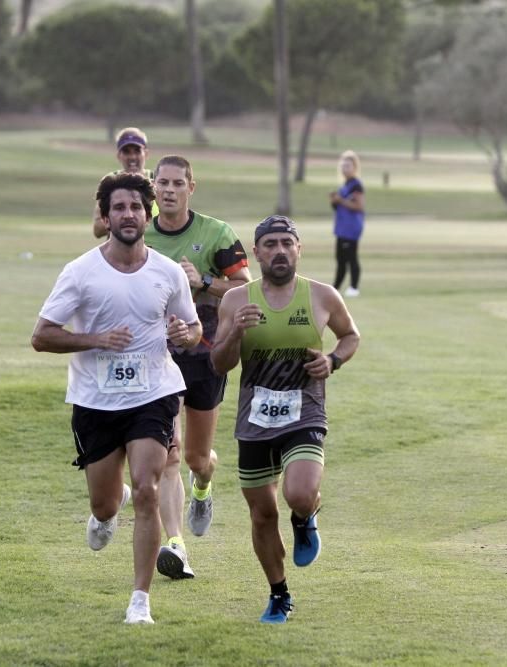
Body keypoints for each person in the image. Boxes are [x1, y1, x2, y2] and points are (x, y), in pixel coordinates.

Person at [32, 171, 203, 624]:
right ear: (105, 217)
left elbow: (192, 328)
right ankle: (111, 505)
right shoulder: (80, 272)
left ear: (147, 214)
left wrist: (187, 333)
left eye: (135, 207)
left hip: (154, 393)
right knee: (104, 504)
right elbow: (42, 336)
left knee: (149, 488)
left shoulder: (167, 272)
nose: (129, 215)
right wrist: (95, 339)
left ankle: (140, 601)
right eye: (119, 208)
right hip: (96, 400)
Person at [210, 215, 360, 624]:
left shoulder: (322, 296)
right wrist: (236, 334)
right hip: (254, 419)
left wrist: (332, 360)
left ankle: (305, 516)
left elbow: (351, 336)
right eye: (270, 244)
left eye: (286, 243)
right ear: (256, 252)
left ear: (299, 249)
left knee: (298, 492)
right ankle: (279, 594)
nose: (279, 250)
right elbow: (219, 364)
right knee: (261, 514)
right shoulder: (236, 300)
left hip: (304, 411)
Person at [144, 155, 251, 580]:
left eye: (177, 183)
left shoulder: (216, 233)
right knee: (168, 456)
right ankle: (175, 544)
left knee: (195, 457)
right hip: (155, 359)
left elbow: (245, 289)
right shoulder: (141, 232)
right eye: (162, 182)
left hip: (206, 355)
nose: (168, 190)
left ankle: (203, 485)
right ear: (153, 187)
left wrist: (203, 282)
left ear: (192, 187)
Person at [92, 127, 158, 238]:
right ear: (119, 155)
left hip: (154, 251)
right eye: (126, 152)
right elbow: (97, 230)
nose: (132, 157)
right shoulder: (111, 183)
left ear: (146, 154)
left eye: (137, 151)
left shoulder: (159, 181)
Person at [329, 150, 365, 297]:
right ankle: (335, 288)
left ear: (354, 167)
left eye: (348, 166)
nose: (345, 168)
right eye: (343, 165)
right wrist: (334, 201)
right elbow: (340, 206)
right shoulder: (345, 185)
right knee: (340, 259)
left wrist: (341, 200)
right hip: (341, 228)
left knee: (351, 258)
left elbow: (358, 206)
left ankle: (354, 287)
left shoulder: (356, 186)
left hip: (351, 229)